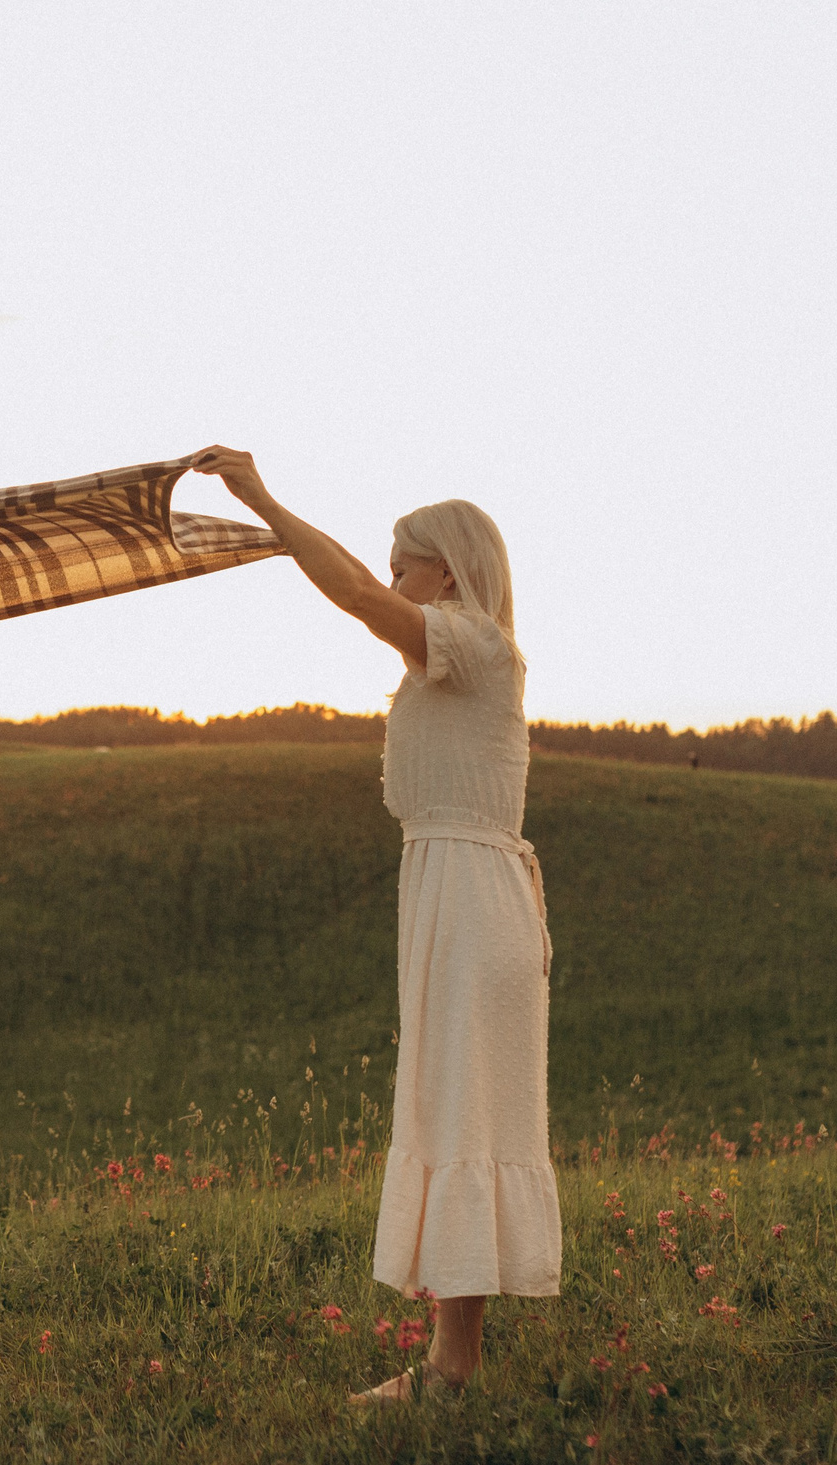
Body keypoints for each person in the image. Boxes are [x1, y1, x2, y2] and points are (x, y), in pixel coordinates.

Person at [190, 448, 560, 1402]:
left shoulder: (476, 643)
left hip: (474, 898)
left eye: (407, 562)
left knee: (464, 1109)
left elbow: (355, 593)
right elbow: (366, 589)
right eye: (396, 563)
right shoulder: (460, 657)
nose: (394, 577)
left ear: (450, 570)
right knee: (452, 1110)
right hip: (453, 891)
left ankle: (452, 1371)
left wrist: (264, 502)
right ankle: (452, 1364)